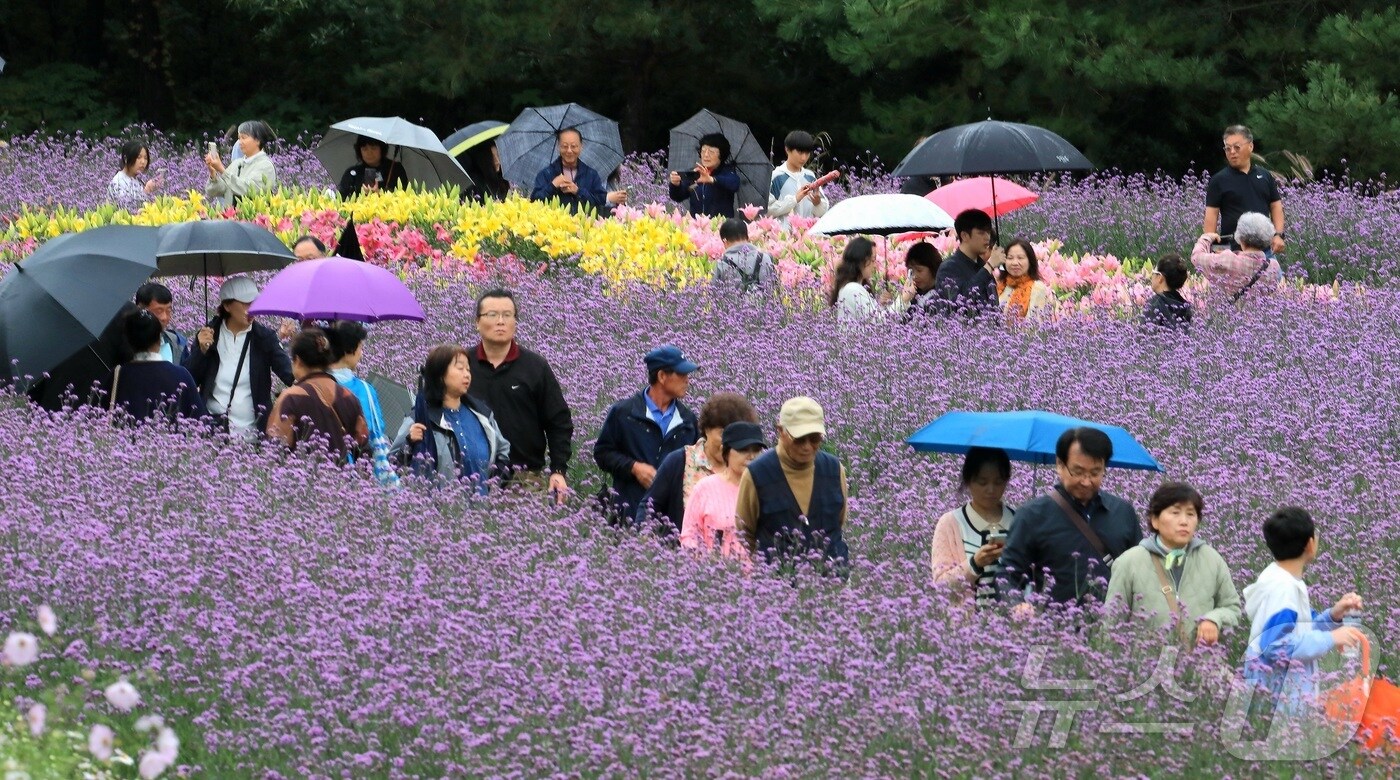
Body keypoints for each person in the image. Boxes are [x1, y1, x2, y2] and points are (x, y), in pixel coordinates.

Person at [998, 427, 1143, 606]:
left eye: (1095, 473)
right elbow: (1007, 574)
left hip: (1113, 628)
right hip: (1053, 628)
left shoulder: (1122, 513)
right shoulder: (1032, 515)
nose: (1086, 481)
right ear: (1060, 465)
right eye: (1078, 471)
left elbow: (1141, 570)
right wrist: (1017, 605)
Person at [1242, 506, 1364, 713]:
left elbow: (1299, 631)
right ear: (1310, 544)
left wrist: (1333, 615)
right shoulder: (1283, 589)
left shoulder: (1278, 577)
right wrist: (1332, 638)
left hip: (1281, 697)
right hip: (1279, 704)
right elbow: (1274, 646)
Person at [465, 289, 574, 503]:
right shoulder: (462, 364)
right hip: (470, 475)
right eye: (492, 315)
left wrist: (558, 470)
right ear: (477, 322)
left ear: (515, 322)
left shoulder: (535, 367)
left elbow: (558, 422)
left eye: (507, 315)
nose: (500, 321)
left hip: (524, 480)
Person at [1105, 482, 1242, 645]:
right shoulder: (1129, 562)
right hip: (1148, 666)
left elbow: (1233, 609)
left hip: (1201, 665)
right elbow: (1111, 623)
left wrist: (1214, 619)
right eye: (1175, 513)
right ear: (1155, 520)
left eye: (1191, 514)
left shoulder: (1212, 559)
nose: (1184, 521)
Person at [735, 397, 849, 567]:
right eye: (799, 439)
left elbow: (839, 521)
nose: (807, 447)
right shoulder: (756, 474)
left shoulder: (834, 469)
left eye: (815, 438)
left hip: (832, 582)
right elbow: (745, 531)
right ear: (780, 431)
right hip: (777, 585)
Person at [592, 345, 700, 520]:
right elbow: (602, 454)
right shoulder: (624, 413)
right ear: (662, 376)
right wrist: (633, 467)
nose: (687, 380)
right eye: (681, 374)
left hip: (670, 524)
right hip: (627, 516)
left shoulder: (688, 421)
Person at [391, 344, 512, 492]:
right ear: (440, 375)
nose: (467, 374)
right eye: (460, 368)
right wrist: (409, 443)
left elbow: (503, 453)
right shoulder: (420, 417)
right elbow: (391, 467)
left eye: (468, 369)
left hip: (481, 511)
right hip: (437, 510)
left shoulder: (482, 415)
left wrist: (492, 487)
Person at [186, 275, 295, 439]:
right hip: (213, 430)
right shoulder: (209, 335)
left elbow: (289, 374)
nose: (252, 309)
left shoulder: (264, 338)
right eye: (246, 303)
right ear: (227, 306)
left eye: (255, 303)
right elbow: (189, 379)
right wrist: (201, 351)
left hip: (253, 432)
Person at [635, 392, 758, 534]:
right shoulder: (680, 461)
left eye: (737, 437)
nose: (728, 442)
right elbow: (650, 505)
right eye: (722, 433)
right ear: (707, 429)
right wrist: (644, 538)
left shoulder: (746, 469)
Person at [930, 447, 1017, 609]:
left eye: (998, 482)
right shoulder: (950, 524)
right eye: (982, 482)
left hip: (1013, 627)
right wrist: (975, 564)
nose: (991, 490)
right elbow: (940, 587)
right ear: (968, 480)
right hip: (966, 628)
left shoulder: (1018, 520)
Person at [266, 328, 369, 461]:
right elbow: (363, 448)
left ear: (297, 360)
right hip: (338, 479)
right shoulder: (348, 396)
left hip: (298, 479)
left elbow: (275, 450)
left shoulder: (291, 397)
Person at [325, 320, 400, 488]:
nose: (362, 353)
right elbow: (377, 429)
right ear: (349, 350)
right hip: (363, 472)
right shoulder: (365, 390)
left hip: (325, 470)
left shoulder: (316, 385)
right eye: (360, 347)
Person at [680, 421, 767, 559]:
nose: (751, 456)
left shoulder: (767, 490)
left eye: (756, 450)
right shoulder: (704, 488)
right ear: (725, 452)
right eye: (743, 449)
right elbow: (689, 537)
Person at [107, 308, 207, 424]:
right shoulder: (181, 375)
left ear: (129, 341)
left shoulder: (118, 374)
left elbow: (99, 415)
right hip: (171, 441)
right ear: (159, 339)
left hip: (123, 441)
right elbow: (200, 422)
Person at [1204, 125, 1285, 254]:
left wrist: (1279, 235)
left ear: (1250, 146)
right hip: (1232, 252)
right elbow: (1211, 217)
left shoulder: (1265, 175)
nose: (1232, 152)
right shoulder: (1218, 180)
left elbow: (1275, 206)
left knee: (1273, 275)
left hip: (1264, 251)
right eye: (1227, 148)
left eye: (1237, 147)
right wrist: (1213, 249)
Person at [529, 128, 626, 215]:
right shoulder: (546, 173)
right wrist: (553, 185)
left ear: (581, 147)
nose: (569, 151)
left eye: (574, 146)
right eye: (565, 146)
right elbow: (534, 201)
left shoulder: (591, 174)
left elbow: (600, 201)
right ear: (559, 147)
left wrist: (577, 191)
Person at [1192, 212, 1282, 301]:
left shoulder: (1227, 260)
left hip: (1223, 314)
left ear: (1241, 237)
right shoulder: (1274, 267)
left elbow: (1196, 256)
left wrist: (1207, 237)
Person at [935, 209, 1001, 317]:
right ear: (964, 236)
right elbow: (959, 303)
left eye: (988, 232)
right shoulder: (949, 268)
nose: (987, 238)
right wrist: (989, 266)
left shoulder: (982, 266)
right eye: (981, 233)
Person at [204, 120, 276, 208]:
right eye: (239, 138)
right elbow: (215, 191)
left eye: (244, 138)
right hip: (230, 219)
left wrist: (222, 170)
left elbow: (248, 189)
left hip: (253, 220)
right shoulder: (236, 163)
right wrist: (213, 173)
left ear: (258, 140)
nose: (240, 142)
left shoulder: (266, 165)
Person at [668, 133, 740, 218]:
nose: (706, 155)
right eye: (703, 151)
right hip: (697, 226)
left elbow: (734, 184)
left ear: (721, 155)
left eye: (711, 152)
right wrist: (675, 185)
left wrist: (711, 179)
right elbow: (678, 197)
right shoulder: (696, 173)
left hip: (720, 226)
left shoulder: (727, 172)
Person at [766, 130, 830, 221]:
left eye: (807, 153)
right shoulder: (776, 177)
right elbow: (768, 209)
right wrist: (794, 200)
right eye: (800, 152)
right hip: (782, 234)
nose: (804, 158)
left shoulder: (810, 176)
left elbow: (822, 212)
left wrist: (818, 203)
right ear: (787, 149)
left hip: (808, 233)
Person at [829, 237, 887, 324]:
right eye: (872, 260)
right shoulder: (852, 288)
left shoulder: (855, 286)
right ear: (861, 260)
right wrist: (903, 300)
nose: (874, 265)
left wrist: (881, 306)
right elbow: (878, 321)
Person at [713, 217, 776, 293]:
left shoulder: (722, 264)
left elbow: (714, 295)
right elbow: (774, 289)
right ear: (747, 237)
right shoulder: (765, 258)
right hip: (764, 304)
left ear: (724, 241)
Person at [998, 239, 1054, 320]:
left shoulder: (1037, 288)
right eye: (1010, 258)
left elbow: (1035, 325)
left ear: (1030, 261)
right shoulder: (1001, 286)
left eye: (1020, 258)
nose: (1015, 263)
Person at [337, 136, 408, 198]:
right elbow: (341, 198)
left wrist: (379, 193)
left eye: (373, 148)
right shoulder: (353, 173)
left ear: (381, 149)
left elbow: (404, 195)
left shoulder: (395, 169)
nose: (369, 153)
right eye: (364, 149)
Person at [133, 282, 187, 364]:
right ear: (141, 310)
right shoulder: (126, 344)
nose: (164, 317)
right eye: (159, 311)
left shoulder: (176, 342)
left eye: (168, 311)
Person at [1140, 253, 1193, 332]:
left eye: (1154, 272)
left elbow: (1145, 337)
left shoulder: (1155, 303)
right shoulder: (1185, 307)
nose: (1151, 276)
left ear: (1160, 277)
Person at [107, 140, 161, 207]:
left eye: (146, 158)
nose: (143, 162)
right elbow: (128, 210)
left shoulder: (137, 180)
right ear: (126, 159)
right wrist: (147, 190)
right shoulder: (118, 182)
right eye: (139, 157)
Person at [897, 242, 940, 320]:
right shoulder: (913, 295)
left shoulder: (940, 297)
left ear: (933, 268)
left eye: (919, 270)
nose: (914, 276)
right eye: (911, 271)